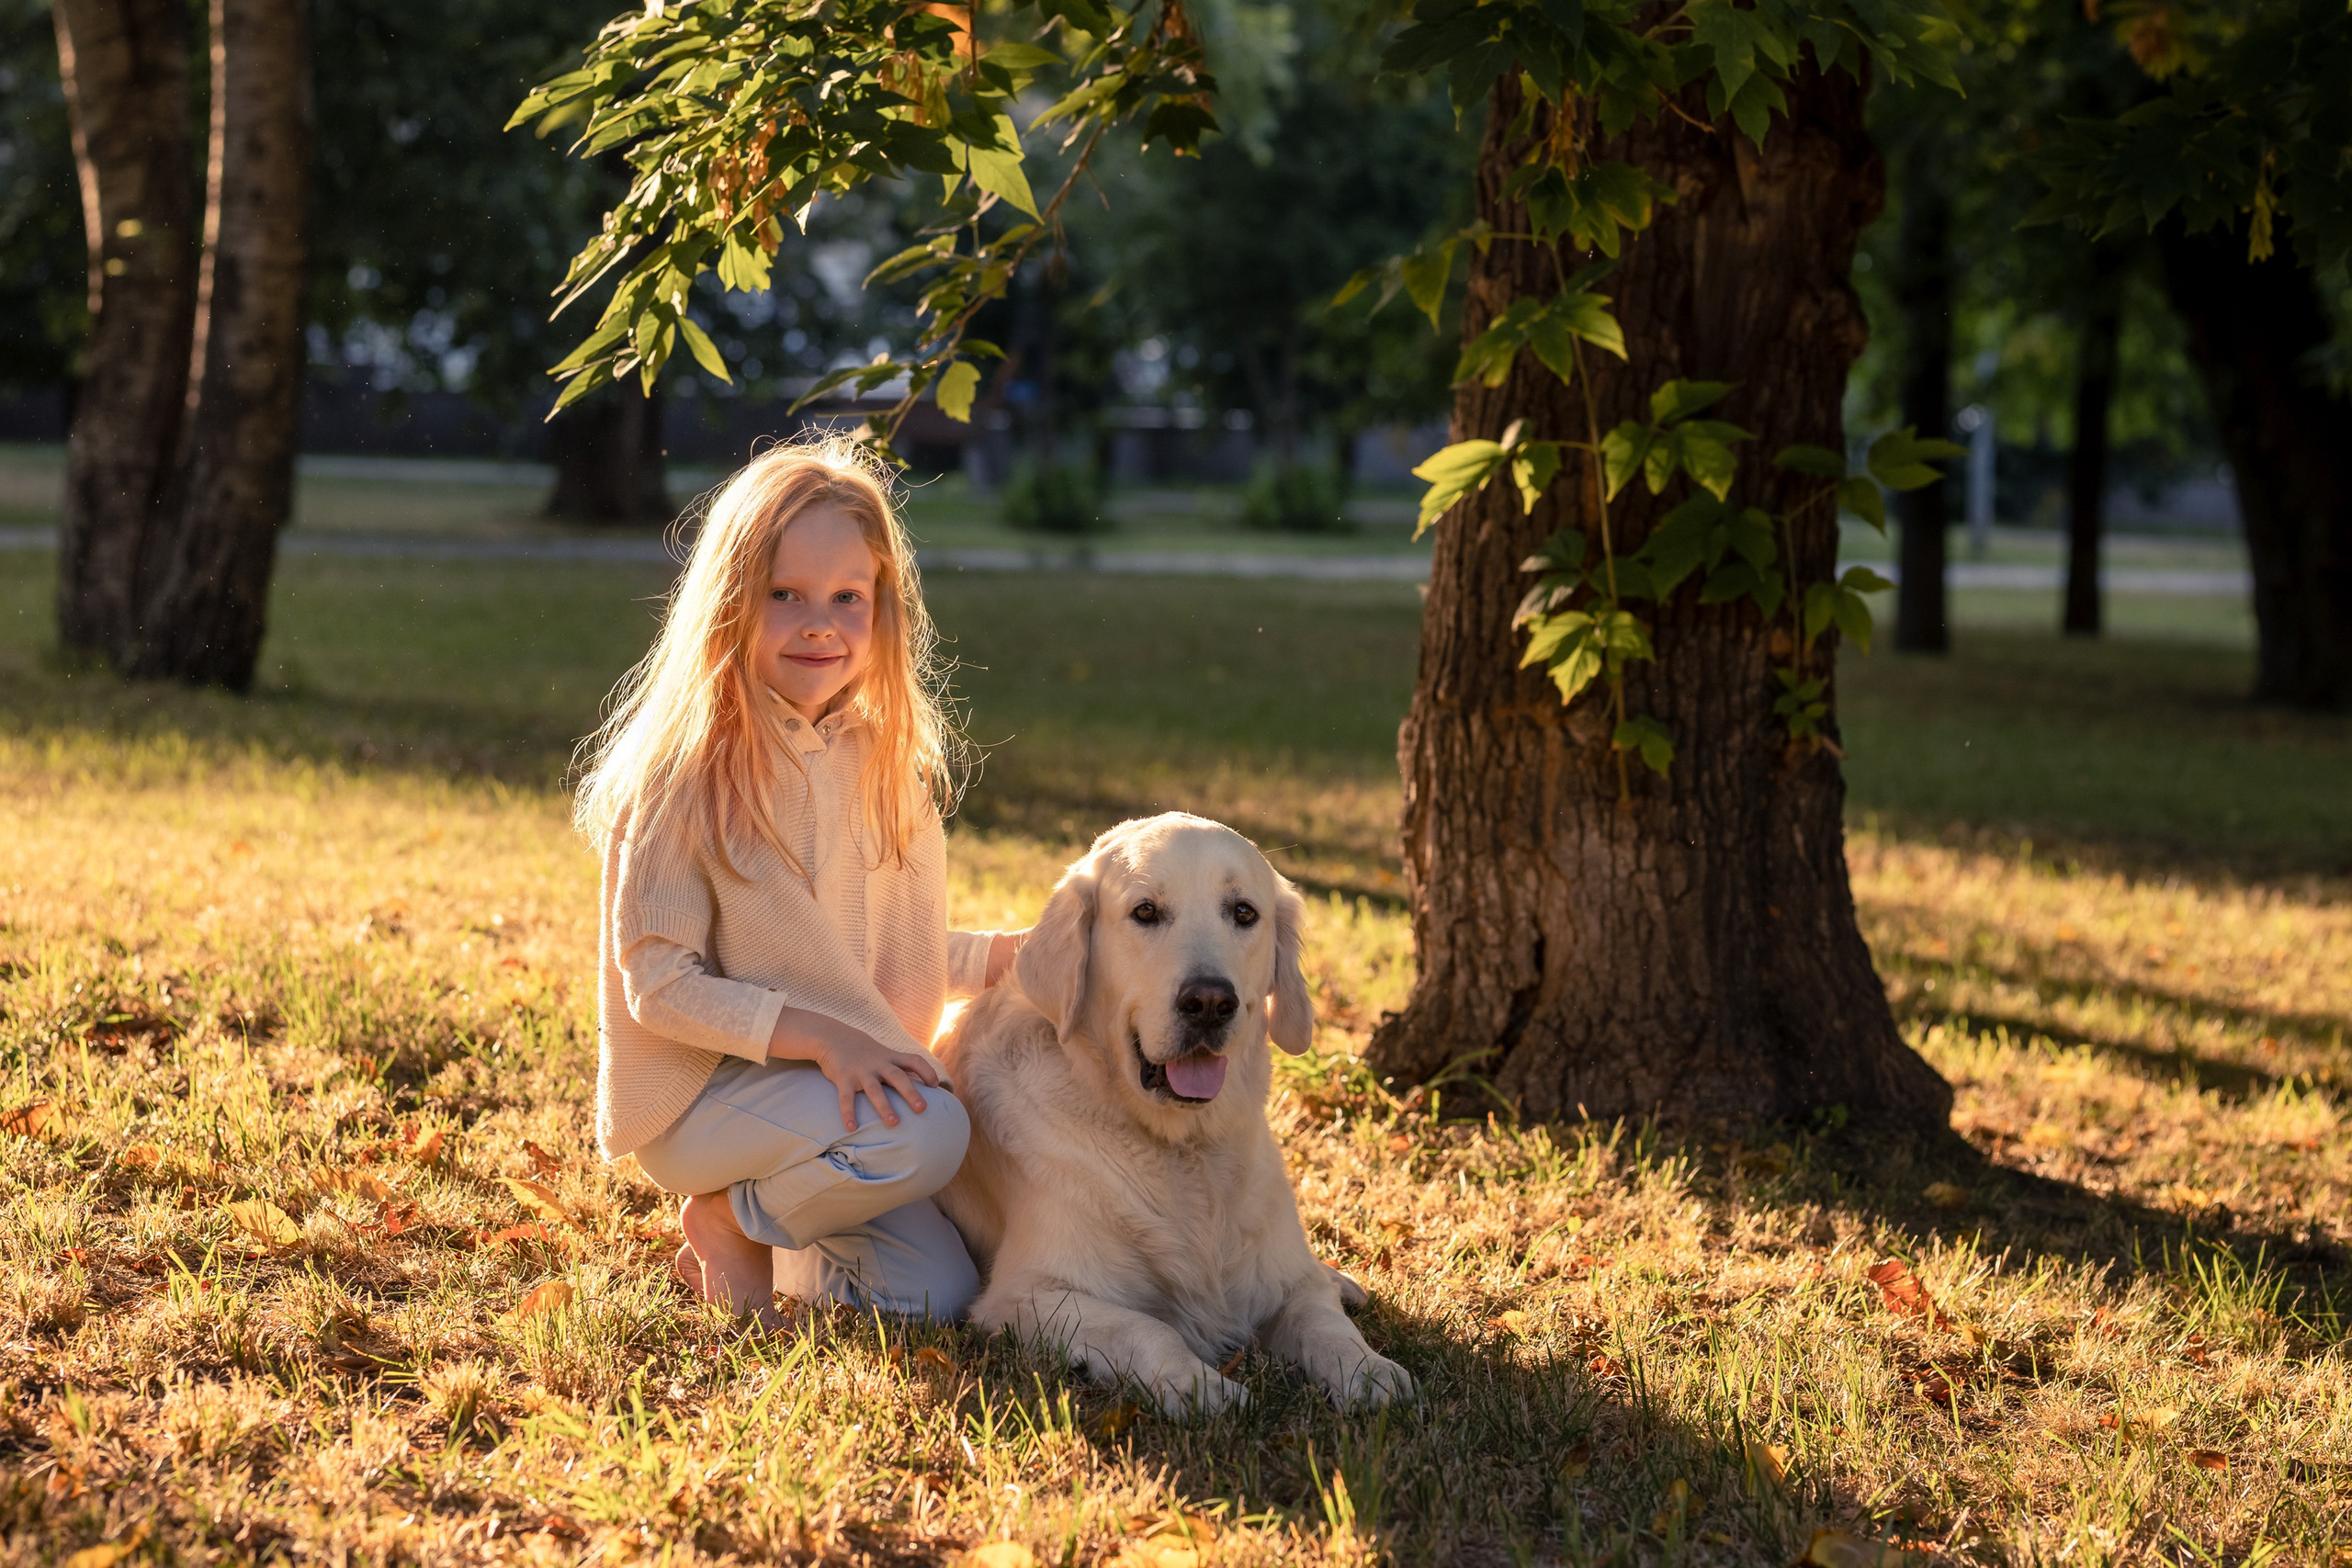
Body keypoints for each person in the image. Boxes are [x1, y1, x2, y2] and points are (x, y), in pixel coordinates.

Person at [574, 436, 1018, 1324]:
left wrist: (1004, 958)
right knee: (929, 1131)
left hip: (823, 1096)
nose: (820, 623)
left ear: (884, 610)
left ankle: (790, 1232)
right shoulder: (687, 770)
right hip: (699, 1102)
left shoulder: (881, 764)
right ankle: (734, 1221)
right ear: (730, 604)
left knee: (934, 1296)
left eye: (847, 597)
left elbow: (869, 950)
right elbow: (658, 984)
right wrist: (824, 1038)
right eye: (785, 595)